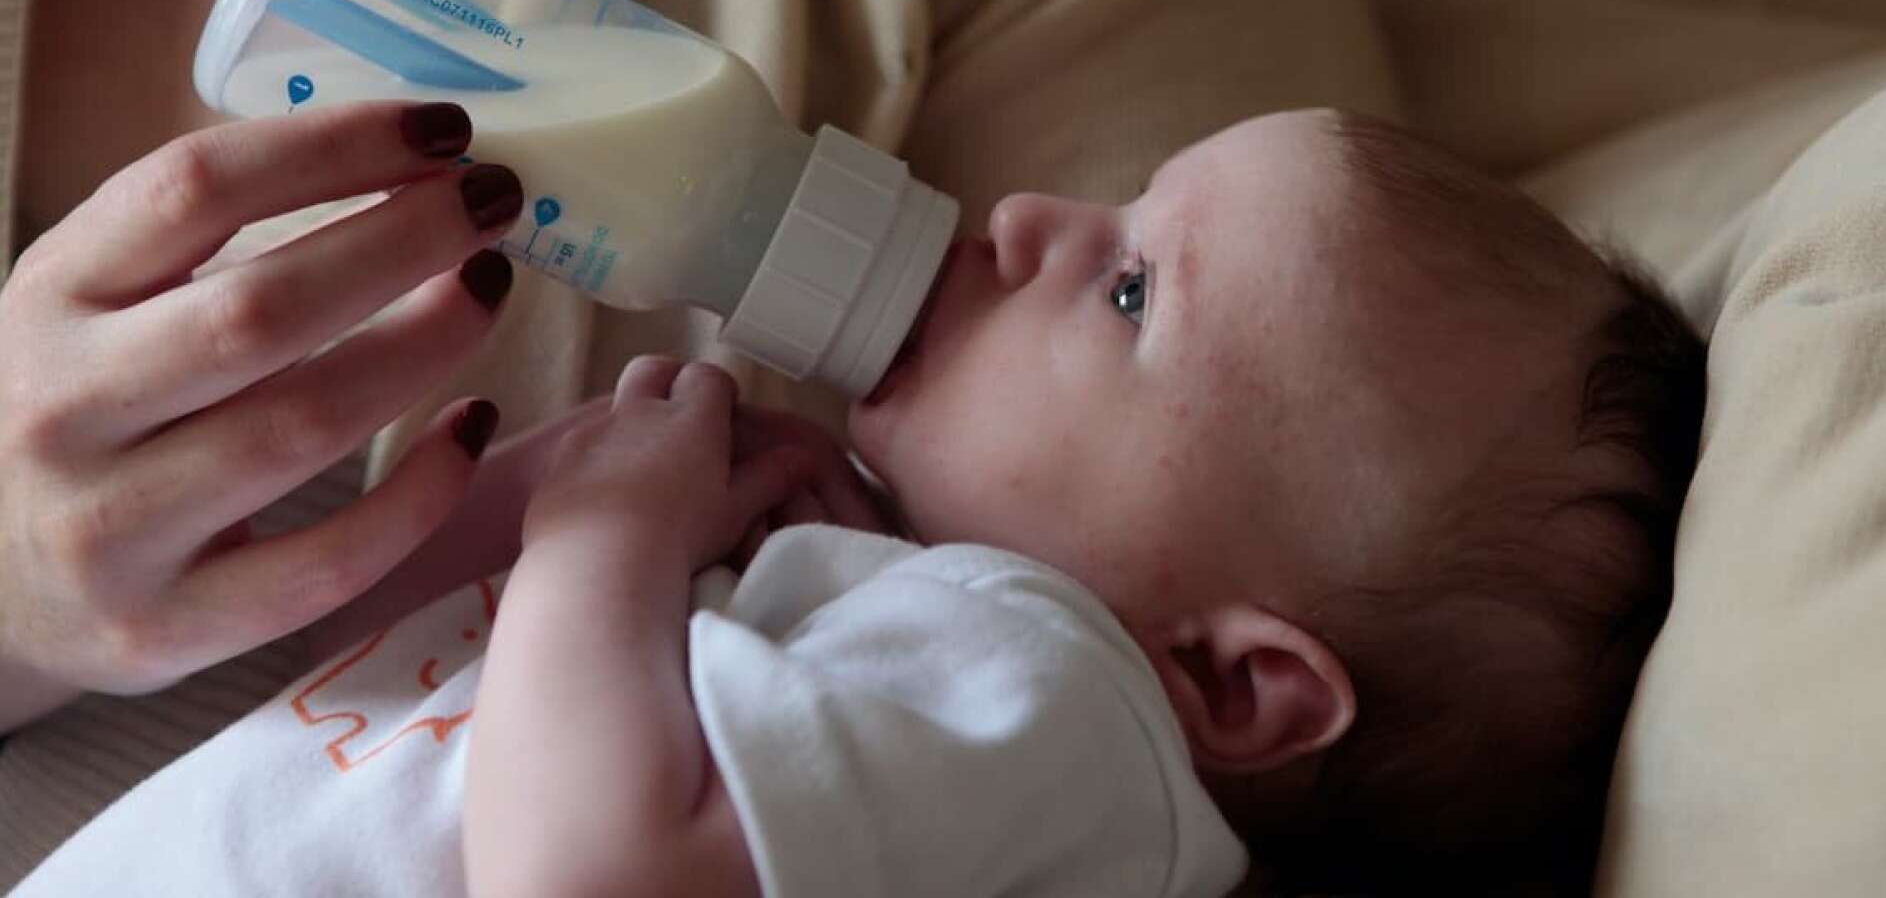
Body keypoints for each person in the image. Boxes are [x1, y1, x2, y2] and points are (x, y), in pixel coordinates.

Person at [13, 109, 1708, 895]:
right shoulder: (902, 658)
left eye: (1130, 293)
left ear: (1231, 684)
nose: (1038, 211)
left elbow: (581, 872)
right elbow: (408, 713)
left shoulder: (1061, 706)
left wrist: (607, 542)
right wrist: (550, 520)